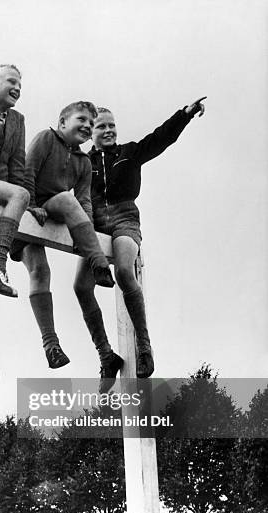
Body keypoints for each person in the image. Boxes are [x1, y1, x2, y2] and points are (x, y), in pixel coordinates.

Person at [73, 97, 207, 389]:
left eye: (112, 125)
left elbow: (161, 138)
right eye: (101, 126)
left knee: (123, 271)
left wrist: (183, 114)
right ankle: (106, 355)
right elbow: (60, 184)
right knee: (80, 286)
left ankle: (144, 345)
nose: (108, 130)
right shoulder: (82, 161)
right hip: (94, 223)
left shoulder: (131, 153)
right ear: (90, 132)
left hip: (124, 219)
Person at [0, 65, 69, 379]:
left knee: (40, 267)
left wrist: (29, 201)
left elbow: (18, 165)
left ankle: (51, 343)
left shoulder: (17, 120)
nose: (18, 87)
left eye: (21, 83)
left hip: (13, 200)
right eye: (11, 81)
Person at [23, 101, 115, 290]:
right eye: (81, 119)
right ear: (63, 122)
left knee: (67, 199)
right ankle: (99, 261)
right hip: (30, 207)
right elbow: (28, 172)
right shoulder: (46, 138)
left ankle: (99, 266)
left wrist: (86, 233)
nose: (87, 126)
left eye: (91, 123)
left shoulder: (84, 162)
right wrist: (31, 204)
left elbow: (84, 201)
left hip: (56, 208)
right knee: (40, 271)